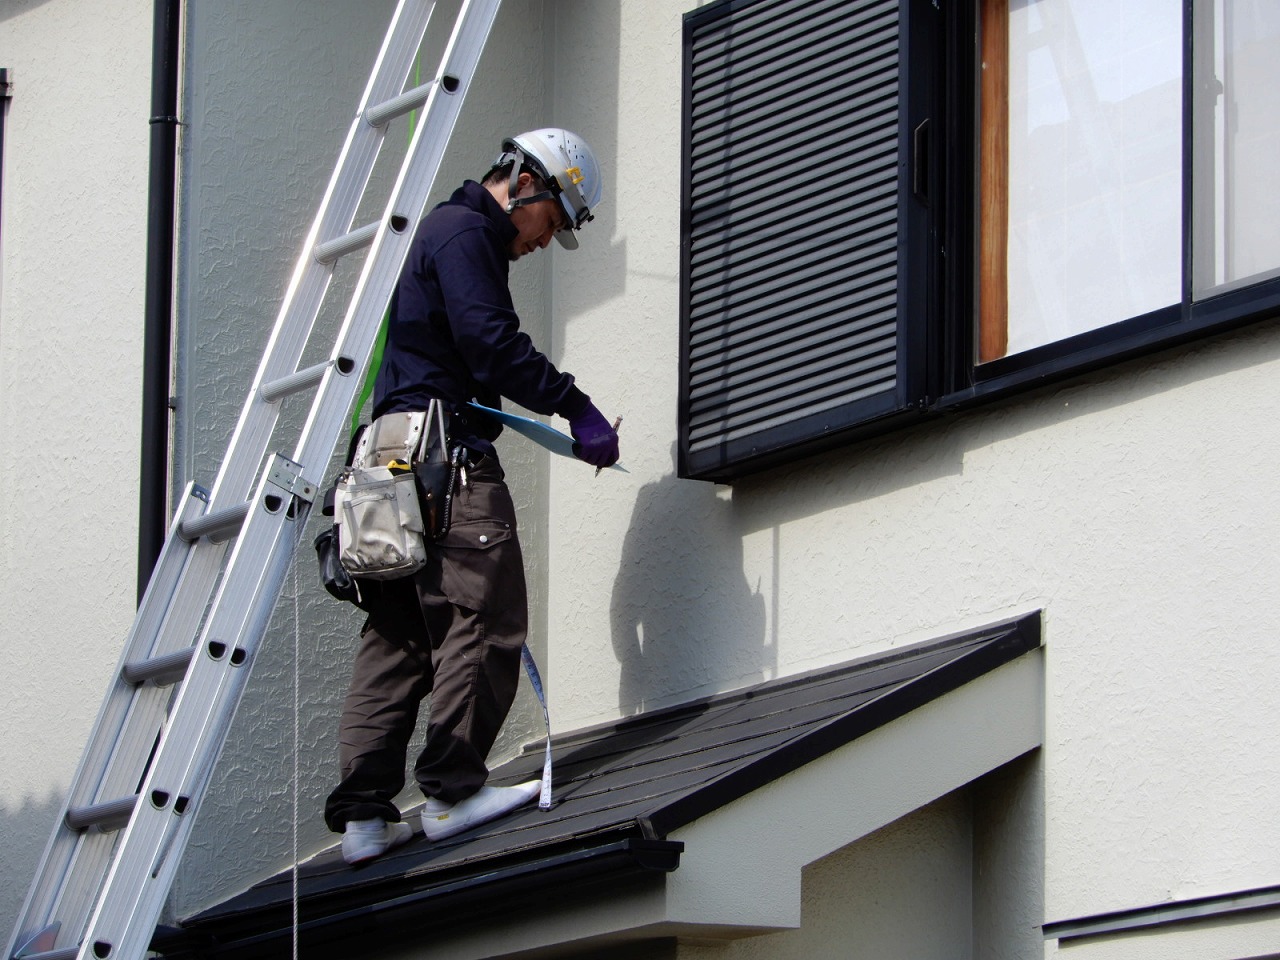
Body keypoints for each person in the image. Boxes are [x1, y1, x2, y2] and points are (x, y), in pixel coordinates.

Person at [324, 128, 619, 864]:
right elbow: (491, 341)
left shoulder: (438, 234)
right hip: (442, 463)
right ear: (525, 185)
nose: (544, 242)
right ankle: (453, 792)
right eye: (551, 223)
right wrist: (572, 404)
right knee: (484, 615)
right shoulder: (464, 235)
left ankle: (365, 818)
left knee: (398, 634)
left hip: (388, 463)